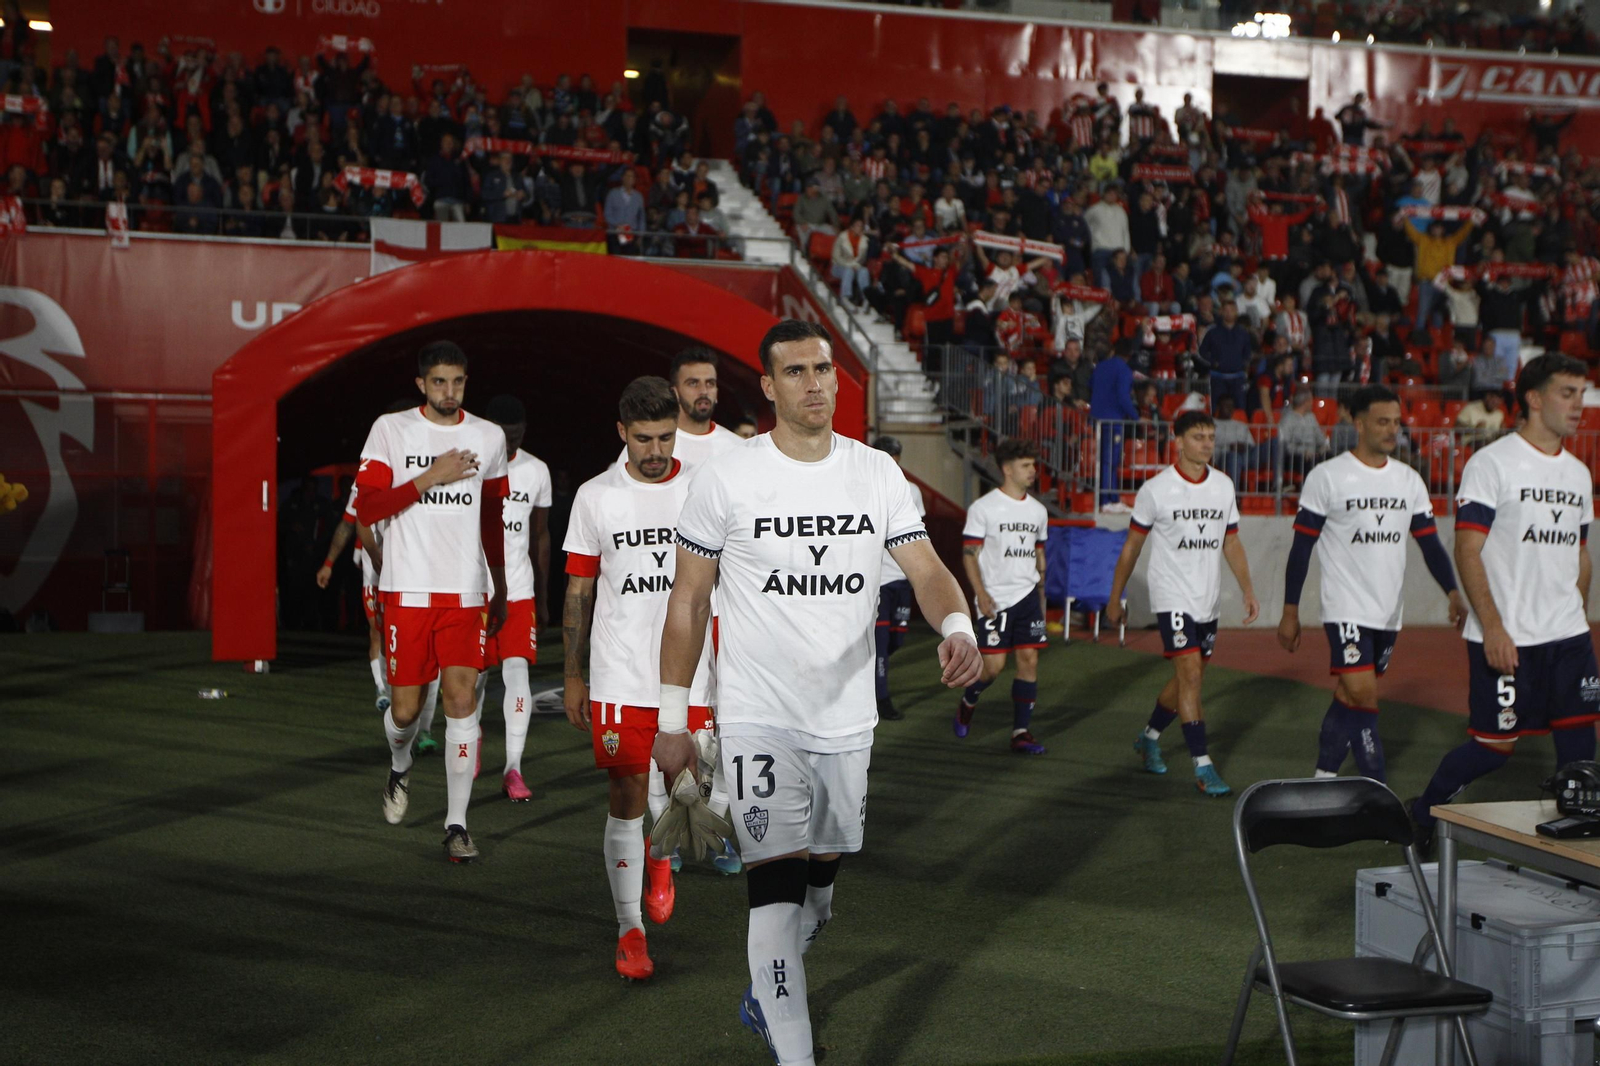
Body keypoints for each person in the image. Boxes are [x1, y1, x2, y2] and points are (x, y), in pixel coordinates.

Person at [652, 319, 982, 1066]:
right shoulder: (727, 477)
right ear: (768, 387)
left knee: (820, 895)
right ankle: (793, 1051)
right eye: (795, 371)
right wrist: (675, 719)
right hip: (758, 715)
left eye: (824, 369)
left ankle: (767, 992)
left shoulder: (875, 474)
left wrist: (958, 626)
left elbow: (925, 568)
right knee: (775, 889)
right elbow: (688, 599)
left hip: (845, 719)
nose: (815, 384)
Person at [562, 377, 721, 981]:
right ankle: (629, 929)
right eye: (643, 439)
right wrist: (573, 676)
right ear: (621, 433)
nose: (655, 450)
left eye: (664, 437)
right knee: (627, 797)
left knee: (688, 788)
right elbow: (578, 591)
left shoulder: (703, 490)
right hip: (619, 674)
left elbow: (723, 586)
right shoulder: (595, 497)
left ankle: (660, 857)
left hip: (690, 674)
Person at [1409, 355, 1599, 854]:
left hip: (1568, 637)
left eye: (1582, 393)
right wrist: (1492, 627)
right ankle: (1422, 812)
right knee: (1494, 748)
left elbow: (1580, 554)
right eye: (1568, 392)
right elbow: (1467, 547)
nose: (1580, 404)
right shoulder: (1492, 463)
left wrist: (1576, 609)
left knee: (1581, 748)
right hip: (1507, 636)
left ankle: (1574, 855)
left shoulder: (1579, 474)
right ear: (1534, 398)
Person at [355, 342, 509, 862]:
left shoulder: (489, 436)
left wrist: (501, 582)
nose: (450, 392)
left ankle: (457, 824)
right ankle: (399, 768)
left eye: (458, 382)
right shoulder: (390, 429)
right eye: (440, 382)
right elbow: (368, 505)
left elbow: (491, 516)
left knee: (462, 702)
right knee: (405, 711)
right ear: (421, 383)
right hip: (407, 591)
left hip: (466, 592)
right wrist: (429, 477)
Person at [1277, 386, 1467, 782]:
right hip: (1345, 607)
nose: (1392, 430)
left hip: (1387, 612)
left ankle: (1322, 780)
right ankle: (1376, 790)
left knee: (1349, 697)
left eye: (1396, 422)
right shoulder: (1327, 477)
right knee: (1365, 696)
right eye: (1383, 421)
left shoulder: (1409, 480)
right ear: (1357, 422)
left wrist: (1452, 591)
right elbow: (1301, 548)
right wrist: (1290, 610)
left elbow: (1430, 544)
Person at [1106, 410, 1260, 797]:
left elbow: (1232, 541)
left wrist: (1248, 590)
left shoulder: (1223, 485)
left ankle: (1149, 737)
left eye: (1211, 436)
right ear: (1178, 441)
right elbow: (1132, 546)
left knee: (1187, 678)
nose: (1207, 443)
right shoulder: (1156, 489)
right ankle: (1203, 766)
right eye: (1198, 436)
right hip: (1171, 595)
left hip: (1206, 599)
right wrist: (1115, 595)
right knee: (1190, 675)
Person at [954, 438, 1051, 754]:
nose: (1033, 471)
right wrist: (980, 593)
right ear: (1007, 469)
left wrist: (1041, 593)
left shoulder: (1038, 511)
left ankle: (1021, 733)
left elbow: (1039, 554)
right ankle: (970, 698)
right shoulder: (983, 508)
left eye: (1033, 465)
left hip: (1027, 597)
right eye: (1026, 466)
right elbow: (970, 554)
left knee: (1029, 659)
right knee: (992, 668)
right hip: (995, 598)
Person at [478, 395, 552, 802]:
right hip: (475, 592)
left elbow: (539, 536)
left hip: (519, 591)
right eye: (504, 435)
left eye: (517, 435)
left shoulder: (536, 470)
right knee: (472, 680)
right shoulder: (468, 465)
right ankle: (470, 733)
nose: (509, 442)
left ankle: (513, 767)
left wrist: (542, 597)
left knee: (517, 675)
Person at [615, 347, 744, 470]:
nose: (704, 391)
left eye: (710, 383)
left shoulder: (737, 447)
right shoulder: (651, 445)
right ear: (674, 392)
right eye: (693, 383)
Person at [872, 436, 926, 722]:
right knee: (881, 642)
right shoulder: (864, 486)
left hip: (902, 577)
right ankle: (881, 699)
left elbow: (919, 533)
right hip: (876, 579)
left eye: (896, 460)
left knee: (897, 640)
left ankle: (871, 675)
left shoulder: (911, 490)